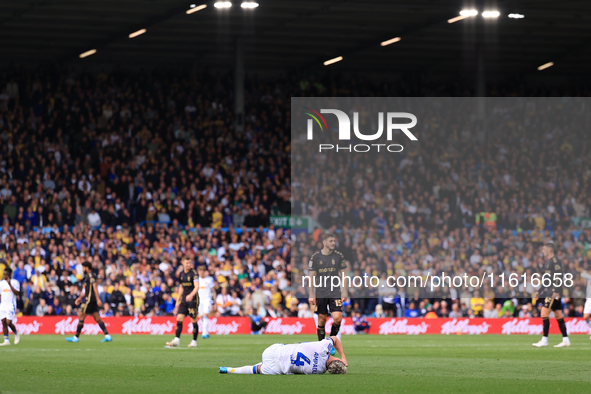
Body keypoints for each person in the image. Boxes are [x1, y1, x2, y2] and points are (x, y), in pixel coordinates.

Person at [219, 336, 347, 375]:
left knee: (296, 345)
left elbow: (335, 338)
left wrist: (344, 357)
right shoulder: (318, 372)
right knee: (256, 370)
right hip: (277, 369)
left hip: (273, 350)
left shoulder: (322, 347)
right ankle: (230, 370)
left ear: (336, 359)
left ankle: (229, 369)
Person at [308, 233, 348, 341]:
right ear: (324, 242)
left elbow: (344, 274)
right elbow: (311, 277)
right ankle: (322, 345)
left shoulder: (338, 256)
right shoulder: (315, 257)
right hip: (321, 292)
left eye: (334, 241)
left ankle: (331, 340)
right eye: (331, 241)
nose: (333, 243)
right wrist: (311, 294)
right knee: (321, 320)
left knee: (338, 318)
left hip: (335, 291)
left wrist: (345, 291)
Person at [532, 241, 570, 348]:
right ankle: (566, 339)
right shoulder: (548, 262)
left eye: (544, 249)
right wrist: (539, 290)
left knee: (544, 314)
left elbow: (559, 275)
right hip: (551, 290)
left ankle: (544, 340)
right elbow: (547, 280)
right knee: (558, 316)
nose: (542, 251)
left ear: (550, 250)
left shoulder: (555, 261)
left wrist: (556, 290)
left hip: (554, 291)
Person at [65, 262, 112, 343]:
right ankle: (107, 335)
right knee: (97, 318)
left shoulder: (90, 275)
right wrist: (80, 298)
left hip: (89, 300)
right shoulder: (88, 276)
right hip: (91, 300)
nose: (82, 269)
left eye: (83, 268)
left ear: (87, 267)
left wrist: (98, 299)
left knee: (81, 315)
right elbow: (87, 290)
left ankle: (76, 337)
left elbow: (95, 287)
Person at [166, 256, 199, 348]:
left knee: (193, 320)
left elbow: (197, 287)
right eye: (187, 263)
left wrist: (191, 295)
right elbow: (182, 287)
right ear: (183, 263)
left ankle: (194, 341)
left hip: (193, 300)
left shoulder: (194, 273)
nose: (189, 265)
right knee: (179, 318)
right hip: (184, 300)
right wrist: (178, 300)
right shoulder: (181, 274)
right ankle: (177, 339)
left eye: (190, 263)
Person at [0, 267, 21, 346]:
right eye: (3, 274)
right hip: (3, 305)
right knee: (4, 322)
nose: (4, 275)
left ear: (10, 274)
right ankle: (6, 340)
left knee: (8, 322)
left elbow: (17, 293)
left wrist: (9, 284)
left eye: (6, 274)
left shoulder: (15, 282)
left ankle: (16, 333)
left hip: (10, 305)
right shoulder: (1, 283)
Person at [197, 265, 216, 339]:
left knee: (205, 314)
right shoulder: (196, 280)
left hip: (207, 300)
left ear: (204, 272)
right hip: (199, 300)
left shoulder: (209, 279)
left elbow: (213, 291)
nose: (201, 273)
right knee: (201, 315)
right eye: (200, 271)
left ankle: (204, 332)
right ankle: (206, 330)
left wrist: (215, 302)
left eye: (202, 271)